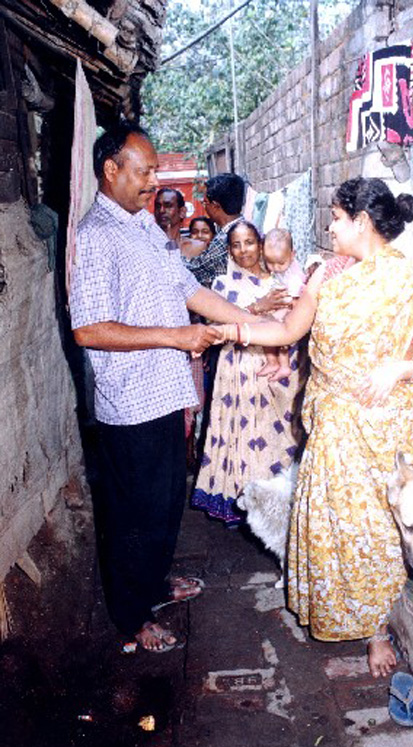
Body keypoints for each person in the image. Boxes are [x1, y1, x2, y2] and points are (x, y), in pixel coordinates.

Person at [214, 178, 413, 677]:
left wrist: (402, 369)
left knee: (375, 529)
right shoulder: (326, 275)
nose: (329, 227)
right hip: (331, 426)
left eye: (337, 218)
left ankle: (377, 630)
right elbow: (288, 329)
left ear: (362, 222)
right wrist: (233, 330)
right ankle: (337, 611)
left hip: (384, 430)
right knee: (333, 524)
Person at [68, 120, 258, 654]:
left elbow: (188, 288)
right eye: (146, 171)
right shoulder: (96, 235)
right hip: (131, 404)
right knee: (133, 515)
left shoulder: (143, 226)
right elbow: (89, 330)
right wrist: (177, 336)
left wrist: (252, 322)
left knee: (166, 501)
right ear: (111, 170)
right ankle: (131, 617)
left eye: (155, 171)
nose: (154, 181)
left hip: (166, 393)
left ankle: (153, 583)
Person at [191, 220, 305, 525]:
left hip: (283, 371)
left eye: (250, 242)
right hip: (240, 370)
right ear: (229, 251)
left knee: (279, 437)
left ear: (261, 243)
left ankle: (280, 507)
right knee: (247, 435)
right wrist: (257, 307)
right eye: (236, 245)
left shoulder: (281, 277)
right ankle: (245, 504)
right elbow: (216, 328)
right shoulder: (221, 285)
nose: (244, 251)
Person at [258, 228, 306, 382]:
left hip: (291, 310)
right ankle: (272, 362)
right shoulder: (281, 268)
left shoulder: (294, 277)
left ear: (292, 255)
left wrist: (281, 311)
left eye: (280, 263)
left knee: (275, 330)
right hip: (281, 305)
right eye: (270, 262)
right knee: (264, 325)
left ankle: (284, 366)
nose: (275, 267)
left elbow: (296, 302)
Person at [186, 173, 245, 288]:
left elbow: (194, 269)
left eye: (205, 203)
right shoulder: (247, 227)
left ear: (215, 206)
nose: (204, 207)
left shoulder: (225, 239)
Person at [154, 187, 206, 259]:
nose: (161, 210)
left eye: (168, 206)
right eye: (158, 206)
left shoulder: (197, 247)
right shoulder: (147, 246)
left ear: (182, 212)